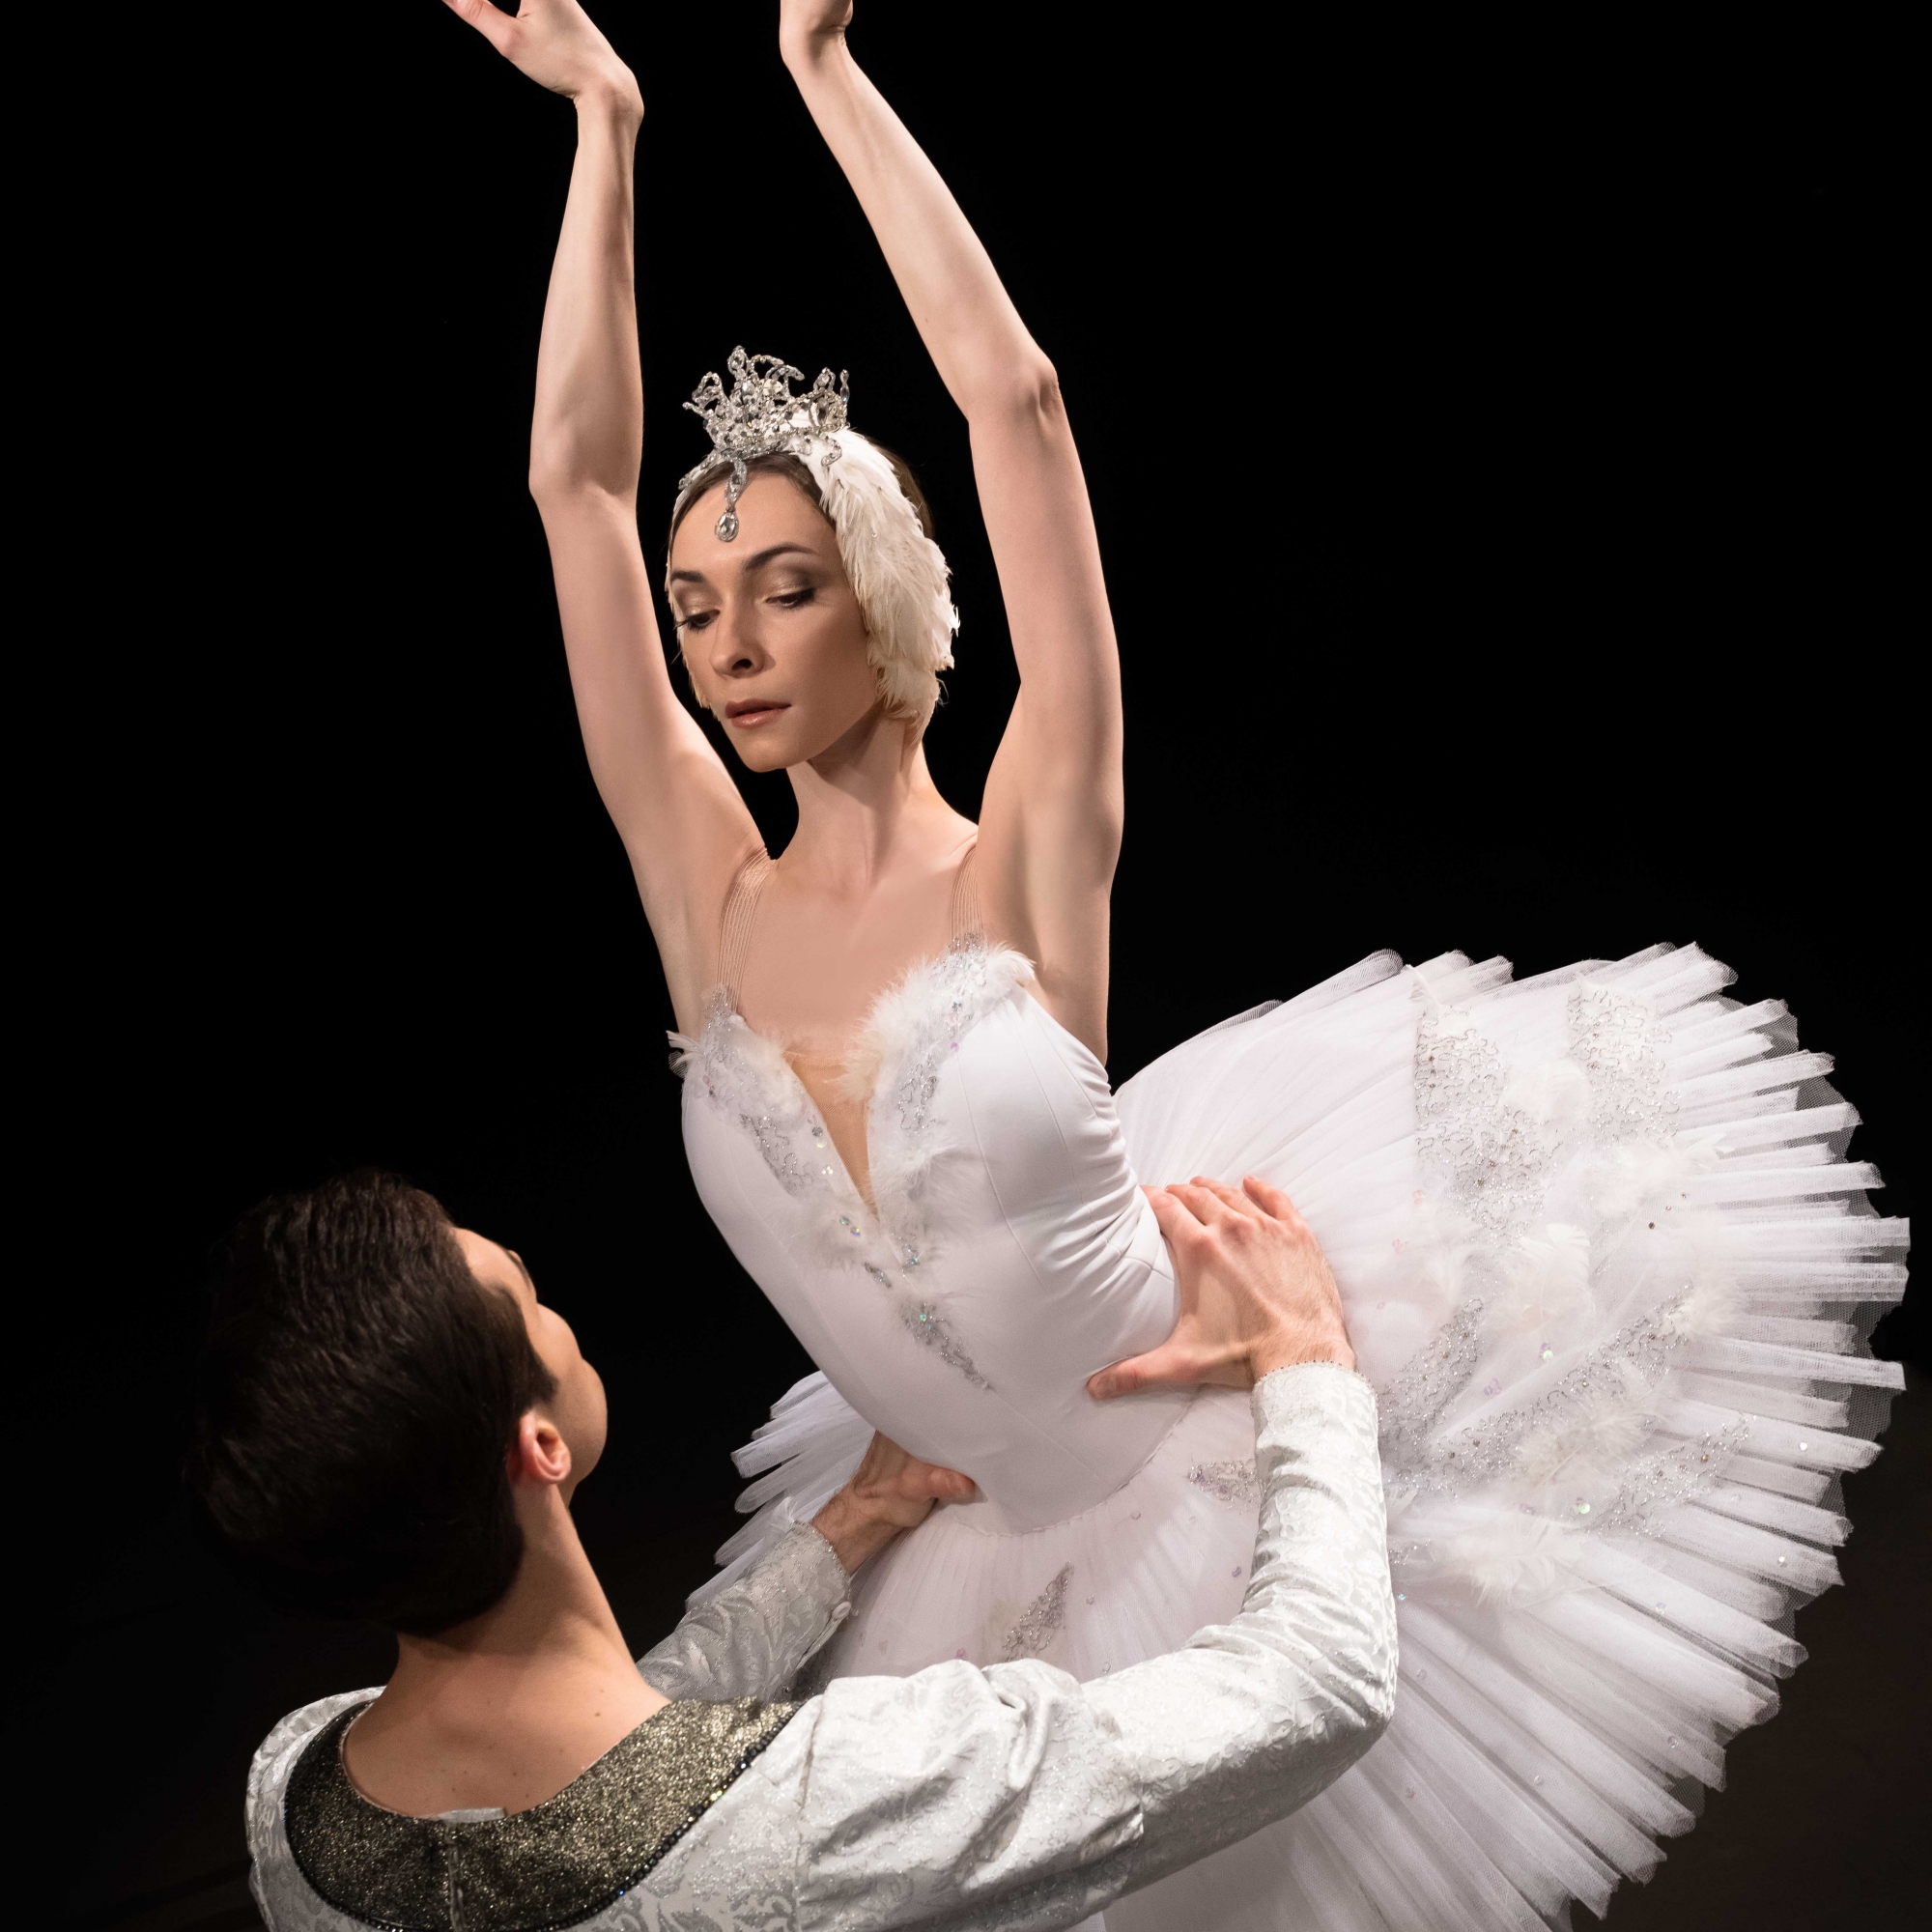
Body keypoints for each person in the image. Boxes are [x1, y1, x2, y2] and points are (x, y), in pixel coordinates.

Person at [444, 2, 1912, 1925]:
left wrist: (825, 78)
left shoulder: (1027, 855)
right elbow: (572, 492)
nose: (724, 645)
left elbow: (1020, 408)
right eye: (696, 604)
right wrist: (605, 128)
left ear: (880, 598)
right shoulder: (705, 901)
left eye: (782, 589)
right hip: (972, 1540)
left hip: (1196, 1458)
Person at [194, 1167, 1392, 1929]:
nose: (548, 1298)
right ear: (539, 1446)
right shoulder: (830, 1801)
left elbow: (602, 1784)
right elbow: (1314, 1683)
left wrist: (850, 1523)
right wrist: (1303, 1356)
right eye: (529, 1295)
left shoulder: (298, 1797)